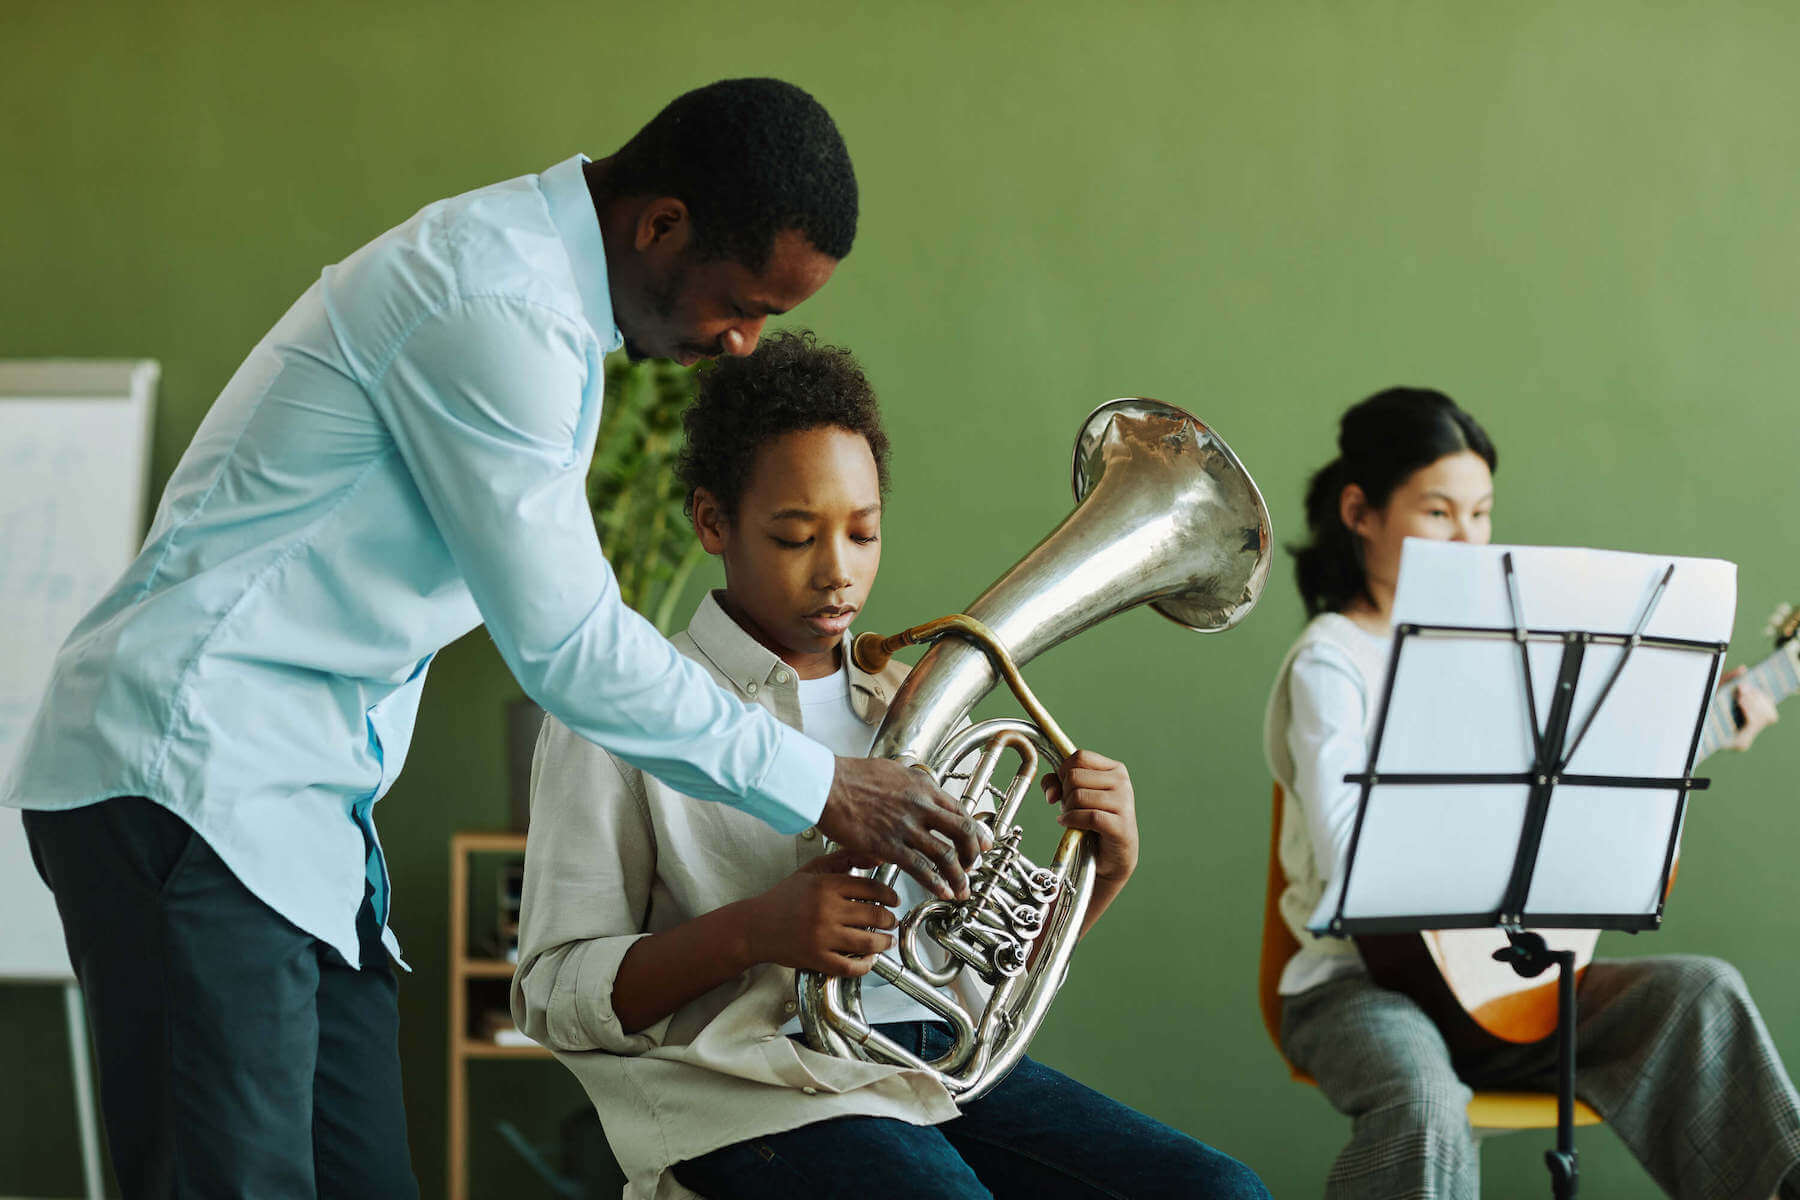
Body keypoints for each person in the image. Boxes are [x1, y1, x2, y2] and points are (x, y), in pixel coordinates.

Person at [4, 79, 986, 1198]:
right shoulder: (495, 302)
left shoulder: (534, 302)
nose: (742, 342)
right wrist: (826, 787)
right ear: (660, 225)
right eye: (742, 303)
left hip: (296, 813)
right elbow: (568, 645)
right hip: (188, 779)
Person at [514, 329, 1270, 1200]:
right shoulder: (627, 712)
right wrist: (757, 931)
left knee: (1221, 1192)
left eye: (864, 533)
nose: (839, 573)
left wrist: (1100, 875)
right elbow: (554, 993)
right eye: (797, 537)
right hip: (751, 1091)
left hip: (936, 1075)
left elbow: (973, 976)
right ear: (712, 521)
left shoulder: (915, 701)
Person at [1265, 386, 1800, 1198]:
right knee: (1425, 1099)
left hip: (1506, 991)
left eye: (1480, 515)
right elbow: (1353, 861)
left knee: (1701, 994)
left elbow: (1572, 790)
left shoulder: (1509, 653)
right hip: (1357, 987)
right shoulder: (1332, 662)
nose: (1467, 539)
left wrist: (1687, 732)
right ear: (1360, 512)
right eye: (1438, 513)